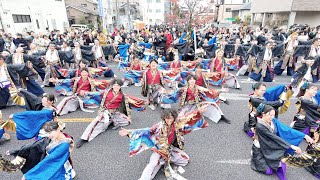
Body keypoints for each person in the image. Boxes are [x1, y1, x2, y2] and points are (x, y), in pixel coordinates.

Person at [119, 108, 208, 180]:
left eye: (171, 117)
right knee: (152, 164)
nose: (169, 120)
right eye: (167, 118)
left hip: (169, 149)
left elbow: (187, 117)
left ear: (174, 118)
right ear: (164, 118)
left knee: (185, 160)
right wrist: (129, 132)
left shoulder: (176, 124)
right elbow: (146, 131)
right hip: (159, 150)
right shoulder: (158, 126)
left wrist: (198, 111)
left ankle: (164, 161)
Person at [251, 104, 314, 180]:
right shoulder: (260, 126)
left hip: (270, 143)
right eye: (269, 115)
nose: (272, 117)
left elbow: (286, 129)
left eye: (273, 115)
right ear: (263, 114)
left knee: (277, 162)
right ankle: (256, 157)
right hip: (263, 147)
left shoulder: (273, 120)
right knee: (268, 171)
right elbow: (274, 138)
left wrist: (304, 136)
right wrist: (291, 146)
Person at [77, 78, 146, 148]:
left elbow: (133, 99)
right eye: (115, 85)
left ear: (120, 87)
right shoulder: (106, 93)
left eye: (118, 85)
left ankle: (112, 121)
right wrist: (87, 93)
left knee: (127, 121)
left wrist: (143, 101)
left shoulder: (122, 95)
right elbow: (96, 94)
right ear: (112, 86)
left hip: (115, 113)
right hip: (106, 112)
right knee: (95, 123)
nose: (116, 87)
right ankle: (84, 138)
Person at [7, 121, 75, 179]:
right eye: (47, 133)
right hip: (54, 162)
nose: (48, 135)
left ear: (58, 129)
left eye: (50, 132)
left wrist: (30, 174)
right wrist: (16, 151)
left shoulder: (64, 144)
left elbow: (49, 160)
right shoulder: (54, 137)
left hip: (58, 166)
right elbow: (34, 146)